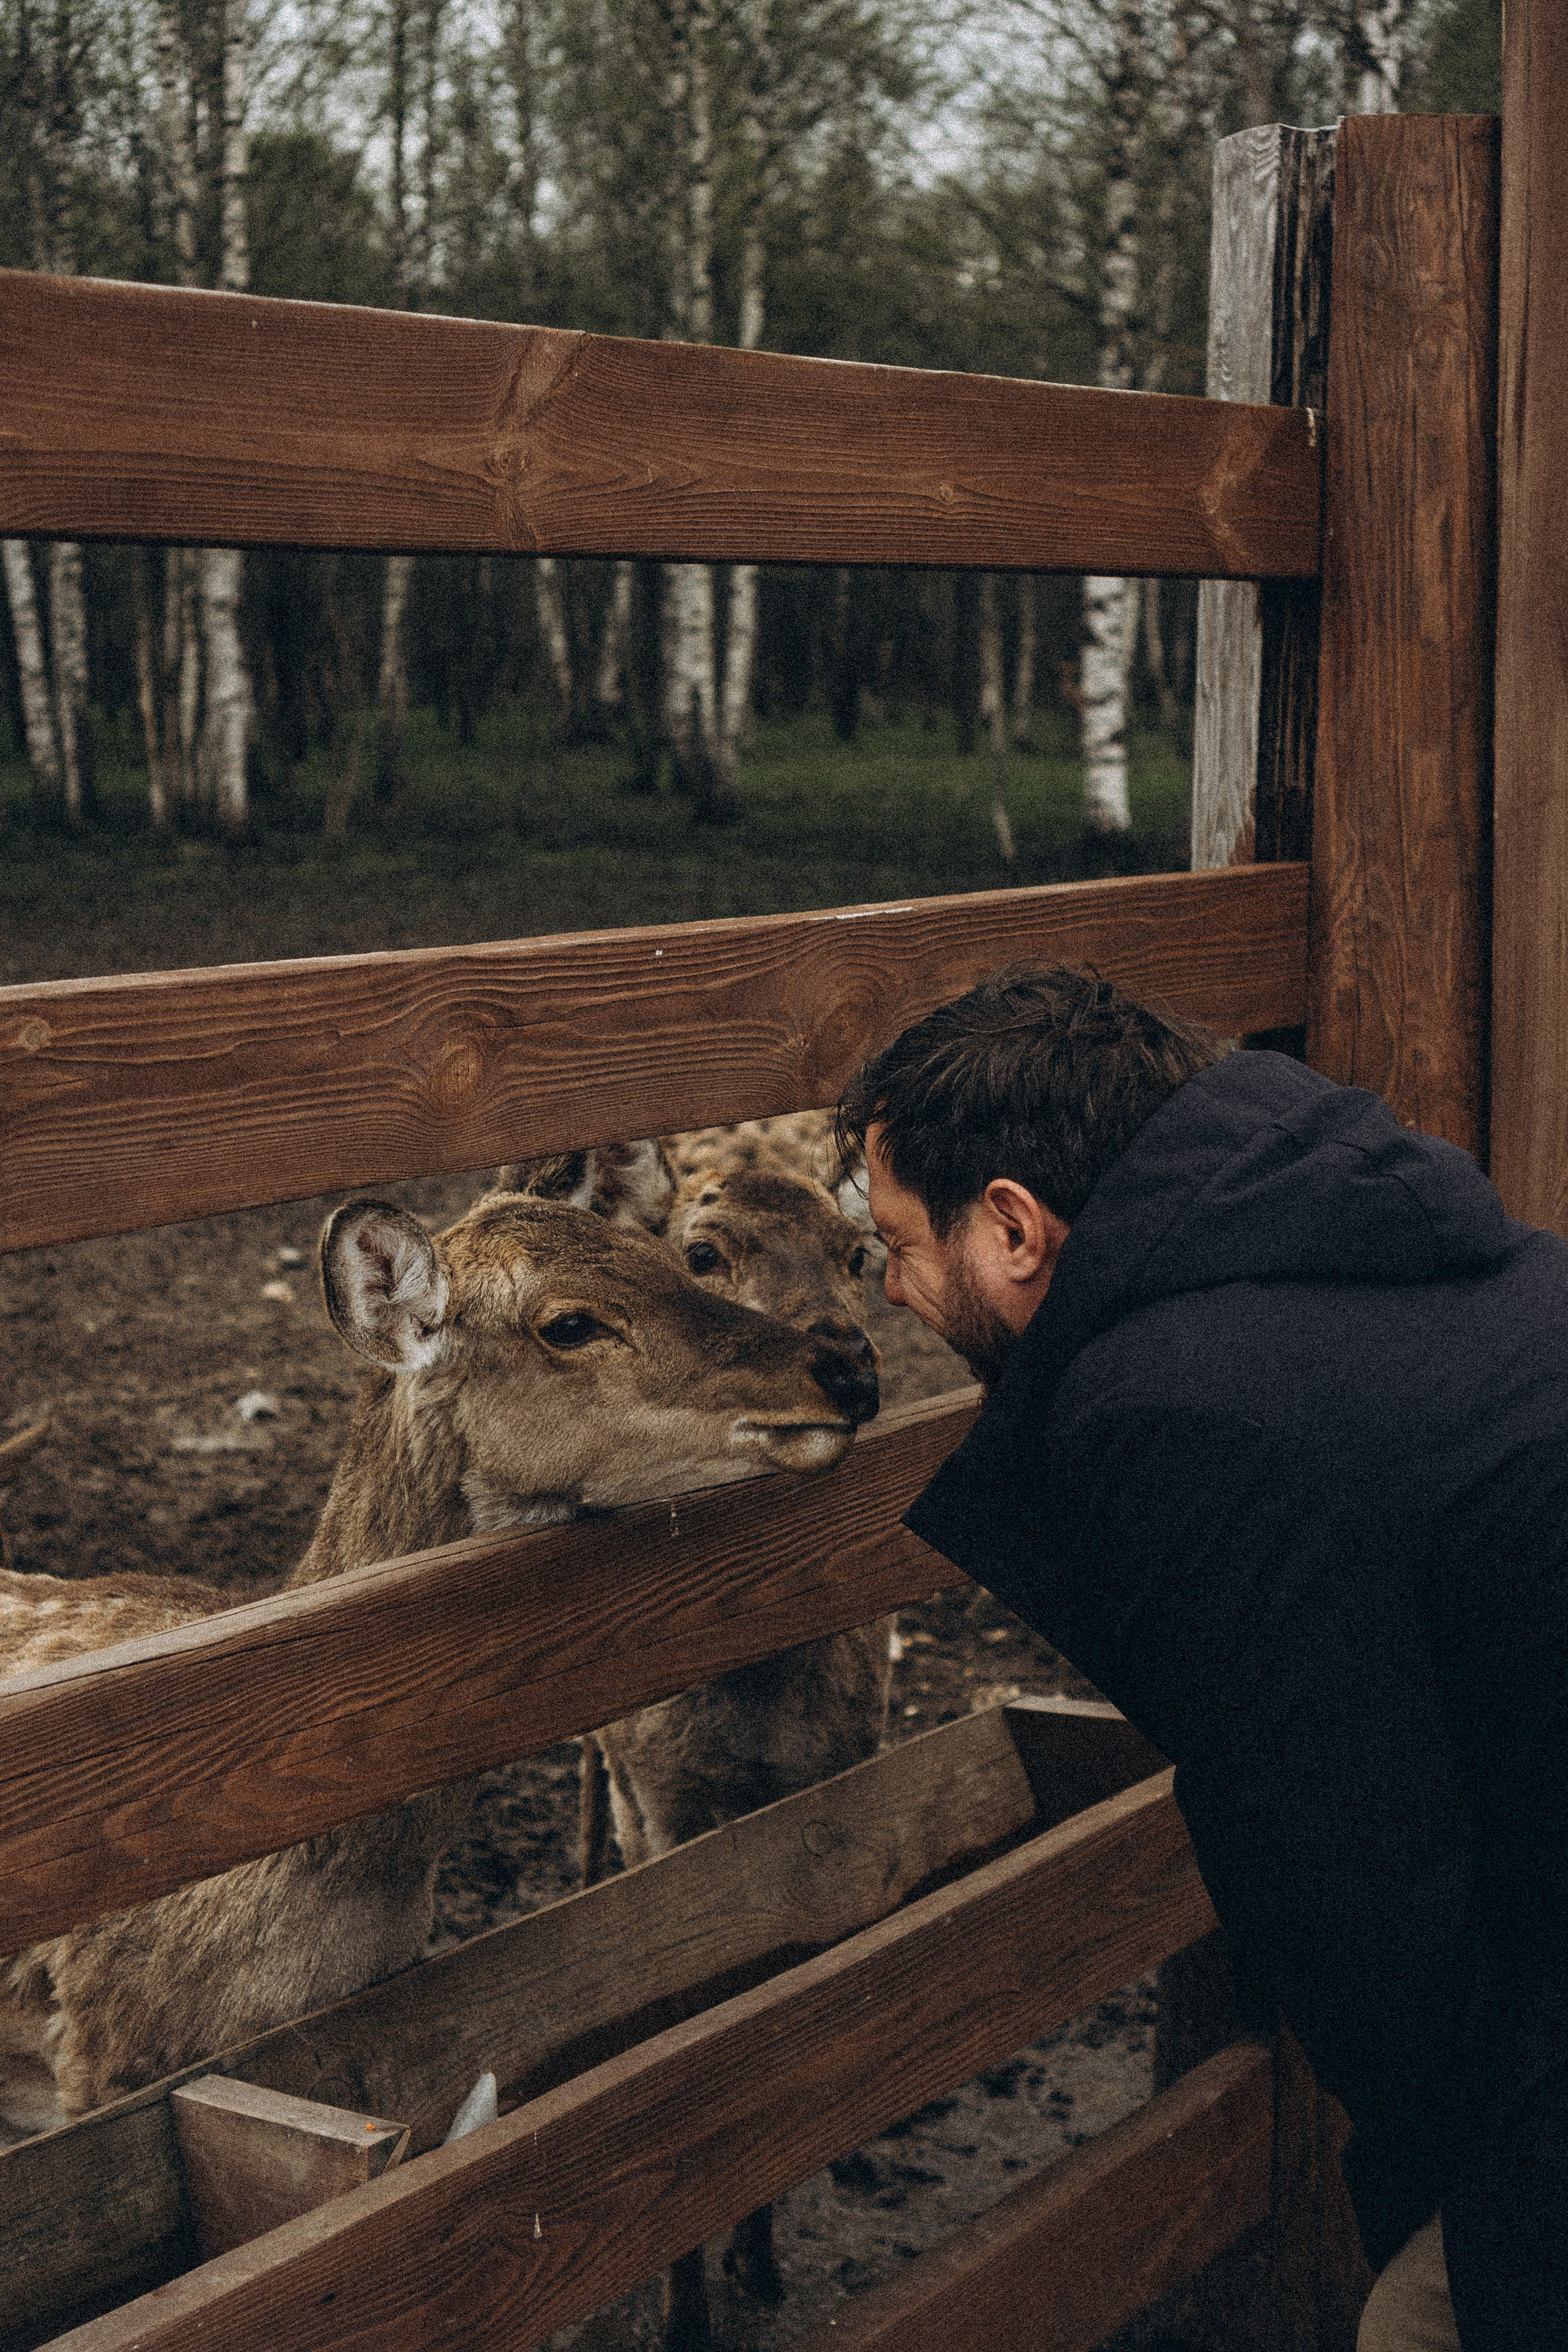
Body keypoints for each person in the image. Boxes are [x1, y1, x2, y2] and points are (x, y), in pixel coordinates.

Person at [836, 964, 1568, 2352]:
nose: (888, 1287)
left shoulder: (1173, 1415)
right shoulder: (1390, 1242)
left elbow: (1349, 1876)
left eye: (897, 1241)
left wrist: (1454, 2191)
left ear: (1011, 1229)